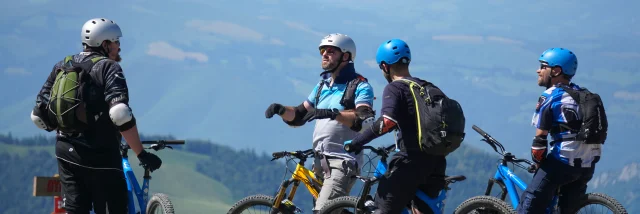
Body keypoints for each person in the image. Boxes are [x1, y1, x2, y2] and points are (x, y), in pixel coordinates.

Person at [29, 18, 162, 214]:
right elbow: (120, 114)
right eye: (116, 41)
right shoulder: (109, 67)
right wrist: (141, 153)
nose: (119, 47)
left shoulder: (63, 65)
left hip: (66, 152)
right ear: (105, 44)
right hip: (101, 155)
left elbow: (37, 116)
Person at [264, 33, 376, 212]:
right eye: (323, 51)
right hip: (319, 163)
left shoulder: (360, 86)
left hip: (342, 163)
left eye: (331, 51)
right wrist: (281, 110)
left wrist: (332, 113)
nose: (324, 54)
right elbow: (299, 116)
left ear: (346, 56)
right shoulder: (322, 86)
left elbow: (364, 119)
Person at [343, 39, 455, 214]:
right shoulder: (427, 86)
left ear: (385, 67)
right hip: (437, 160)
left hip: (410, 161)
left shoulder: (395, 88)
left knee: (382, 210)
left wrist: (357, 141)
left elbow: (387, 122)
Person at [517, 48, 603, 213]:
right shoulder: (584, 94)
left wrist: (538, 164)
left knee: (528, 204)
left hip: (563, 162)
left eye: (543, 66)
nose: (538, 70)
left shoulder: (550, 96)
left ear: (556, 71)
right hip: (588, 164)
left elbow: (539, 144)